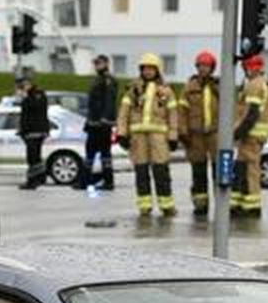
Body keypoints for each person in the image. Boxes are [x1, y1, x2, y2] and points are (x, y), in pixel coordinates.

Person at [118, 53, 179, 217]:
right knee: (141, 172)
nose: (148, 71)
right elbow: (124, 113)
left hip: (159, 138)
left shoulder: (166, 91)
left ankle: (167, 205)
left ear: (157, 70)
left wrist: (173, 136)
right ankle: (144, 205)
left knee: (161, 172)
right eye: (145, 68)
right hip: (138, 138)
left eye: (151, 68)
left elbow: (173, 114)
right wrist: (122, 133)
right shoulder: (133, 90)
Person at [232, 54, 268, 218]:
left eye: (247, 67)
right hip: (255, 135)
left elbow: (251, 114)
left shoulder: (254, 85)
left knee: (249, 170)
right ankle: (242, 202)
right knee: (243, 168)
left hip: (250, 135)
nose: (246, 70)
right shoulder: (263, 84)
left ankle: (250, 206)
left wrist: (238, 132)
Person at [180, 50, 220, 219]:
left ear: (212, 68)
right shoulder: (189, 88)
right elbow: (182, 111)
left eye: (207, 66)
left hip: (215, 135)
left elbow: (229, 110)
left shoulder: (219, 87)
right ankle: (200, 205)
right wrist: (183, 132)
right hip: (195, 136)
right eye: (201, 66)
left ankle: (222, 205)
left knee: (219, 172)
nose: (203, 69)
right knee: (198, 172)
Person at [76, 54, 117, 190]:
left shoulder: (108, 80)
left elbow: (110, 101)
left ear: (106, 64)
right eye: (95, 64)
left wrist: (105, 118)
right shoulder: (98, 79)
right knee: (90, 153)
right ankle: (86, 181)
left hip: (102, 124)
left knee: (104, 154)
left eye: (99, 63)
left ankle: (107, 181)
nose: (96, 66)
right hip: (93, 122)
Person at [17, 74, 50, 189]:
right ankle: (38, 177)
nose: (22, 88)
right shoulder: (30, 96)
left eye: (23, 85)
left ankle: (34, 180)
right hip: (29, 131)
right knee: (33, 156)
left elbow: (35, 108)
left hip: (36, 131)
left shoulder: (37, 94)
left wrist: (26, 97)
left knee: (33, 156)